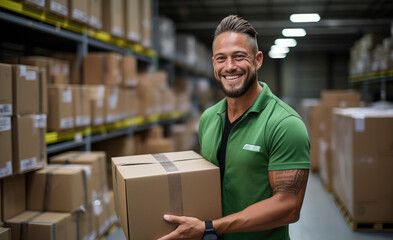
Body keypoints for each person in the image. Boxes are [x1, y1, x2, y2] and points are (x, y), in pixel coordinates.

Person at [158, 15, 310, 240]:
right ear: (213, 64)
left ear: (258, 60)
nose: (229, 67)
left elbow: (288, 206)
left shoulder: (285, 124)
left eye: (239, 57)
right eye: (221, 58)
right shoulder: (208, 118)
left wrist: (211, 227)